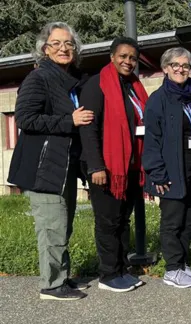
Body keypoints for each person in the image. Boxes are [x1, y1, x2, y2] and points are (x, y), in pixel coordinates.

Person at [8, 22, 93, 301]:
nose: (63, 49)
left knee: (63, 225)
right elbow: (25, 118)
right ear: (45, 50)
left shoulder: (69, 80)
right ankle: (52, 286)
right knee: (52, 225)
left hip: (63, 166)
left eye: (69, 44)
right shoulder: (39, 78)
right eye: (56, 44)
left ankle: (61, 278)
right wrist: (70, 121)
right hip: (42, 167)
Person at [79, 36, 148, 292]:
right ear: (112, 57)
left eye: (132, 58)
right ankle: (108, 275)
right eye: (123, 56)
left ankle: (121, 268)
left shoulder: (133, 87)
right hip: (106, 168)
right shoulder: (98, 84)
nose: (128, 61)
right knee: (108, 222)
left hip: (128, 167)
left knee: (122, 220)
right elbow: (89, 129)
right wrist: (96, 166)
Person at [142, 47, 191, 288]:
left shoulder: (190, 97)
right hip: (171, 167)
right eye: (175, 65)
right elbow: (152, 140)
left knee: (189, 218)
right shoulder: (158, 100)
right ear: (166, 68)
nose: (181, 69)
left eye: (185, 65)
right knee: (172, 220)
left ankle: (182, 263)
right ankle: (171, 269)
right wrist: (157, 172)